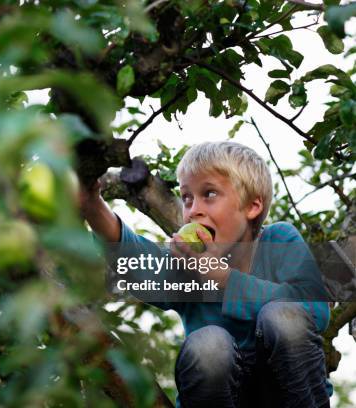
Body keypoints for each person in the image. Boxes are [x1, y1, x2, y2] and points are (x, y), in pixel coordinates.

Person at [80, 141, 331, 408]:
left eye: (209, 194)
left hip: (288, 397)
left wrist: (226, 281)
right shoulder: (188, 267)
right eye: (187, 198)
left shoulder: (279, 240)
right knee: (208, 345)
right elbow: (137, 262)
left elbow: (317, 310)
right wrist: (92, 205)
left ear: (252, 206)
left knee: (284, 317)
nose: (193, 210)